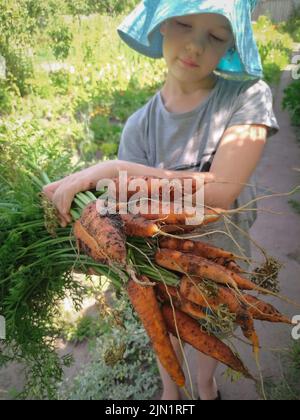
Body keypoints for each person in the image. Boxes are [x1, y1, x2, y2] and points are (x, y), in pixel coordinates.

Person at [43, 0, 280, 400]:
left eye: (216, 36)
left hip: (222, 253)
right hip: (157, 257)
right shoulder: (139, 124)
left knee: (212, 326)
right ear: (162, 27)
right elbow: (128, 207)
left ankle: (206, 386)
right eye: (185, 24)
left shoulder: (247, 97)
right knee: (162, 324)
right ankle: (169, 393)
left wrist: (117, 171)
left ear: (230, 46)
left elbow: (221, 191)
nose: (195, 46)